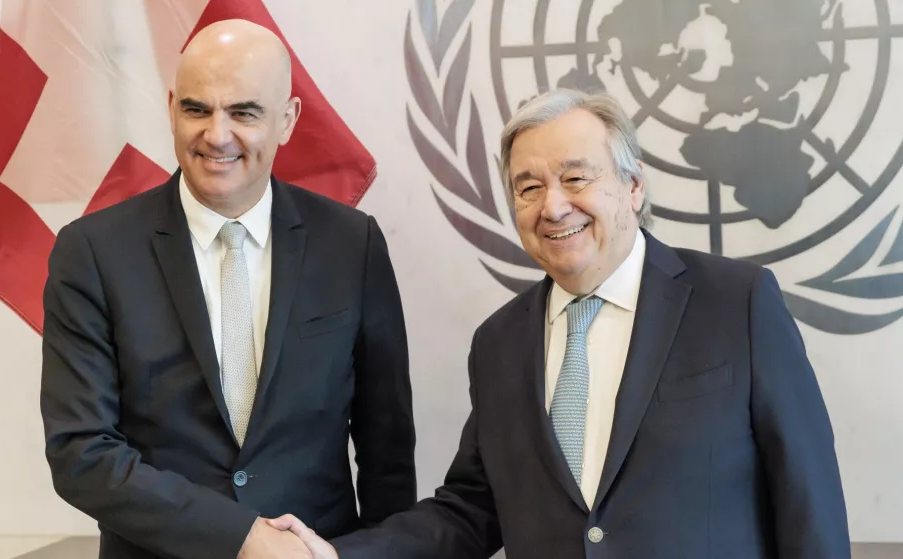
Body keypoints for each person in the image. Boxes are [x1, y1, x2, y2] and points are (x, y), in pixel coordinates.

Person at [271, 89, 851, 558]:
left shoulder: (737, 303)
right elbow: (473, 508)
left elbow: (807, 500)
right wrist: (338, 557)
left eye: (576, 178)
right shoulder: (498, 343)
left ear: (633, 185)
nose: (552, 206)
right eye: (528, 187)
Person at [40, 19, 416, 559]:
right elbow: (82, 453)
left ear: (287, 120)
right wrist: (241, 537)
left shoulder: (351, 244)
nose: (217, 135)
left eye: (244, 112)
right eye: (197, 109)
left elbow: (387, 447)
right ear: (171, 108)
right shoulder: (93, 252)